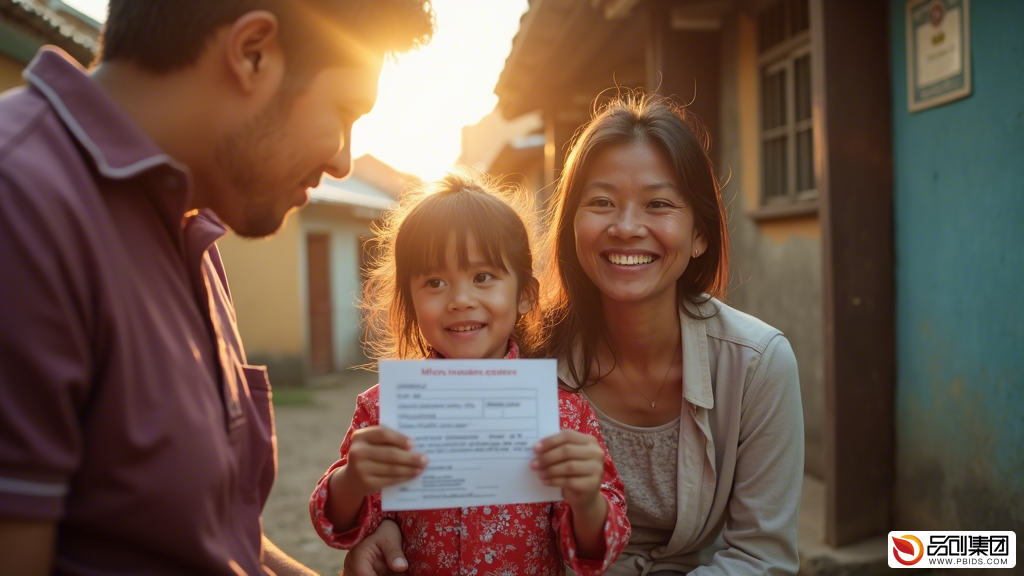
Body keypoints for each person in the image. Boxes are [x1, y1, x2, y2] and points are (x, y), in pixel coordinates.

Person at [0, 1, 433, 574]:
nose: (342, 161)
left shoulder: (190, 224)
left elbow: (218, 542)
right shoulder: (22, 209)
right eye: (345, 111)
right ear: (253, 52)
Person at [345, 95, 804, 576]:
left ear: (700, 235)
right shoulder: (522, 357)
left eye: (659, 204)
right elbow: (451, 493)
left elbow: (762, 557)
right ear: (571, 227)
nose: (626, 227)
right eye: (602, 202)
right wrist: (395, 524)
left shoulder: (757, 364)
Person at [308, 172, 630, 575]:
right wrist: (353, 479)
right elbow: (337, 528)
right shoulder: (384, 409)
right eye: (435, 281)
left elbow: (596, 552)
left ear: (525, 295)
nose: (460, 300)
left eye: (483, 277)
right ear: (410, 301)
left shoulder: (561, 414)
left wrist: (586, 500)